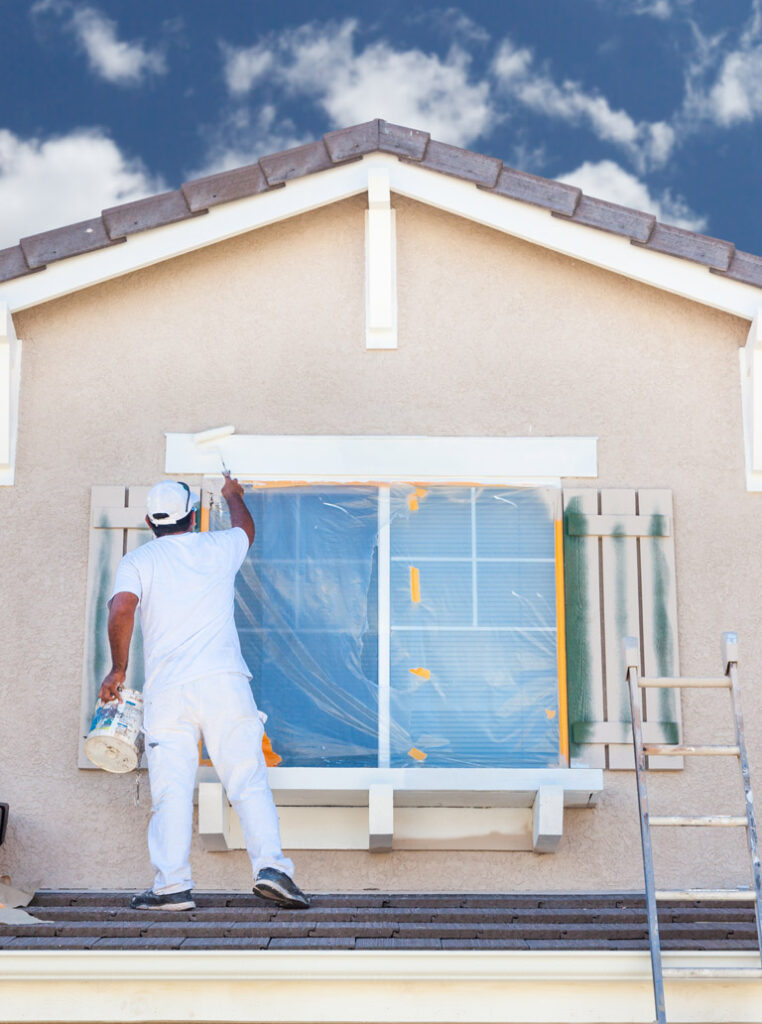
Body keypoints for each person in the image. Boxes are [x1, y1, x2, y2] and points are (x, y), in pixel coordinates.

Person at [99, 476, 309, 911]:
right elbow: (245, 529)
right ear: (193, 517)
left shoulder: (138, 561)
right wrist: (233, 495)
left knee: (171, 791)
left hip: (168, 693)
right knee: (247, 779)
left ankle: (172, 887)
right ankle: (272, 869)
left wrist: (118, 669)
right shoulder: (218, 547)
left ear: (149, 523)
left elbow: (121, 608)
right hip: (224, 684)